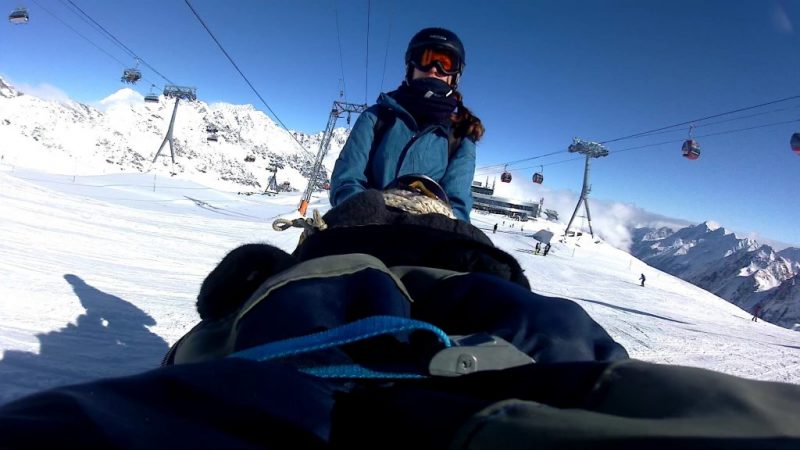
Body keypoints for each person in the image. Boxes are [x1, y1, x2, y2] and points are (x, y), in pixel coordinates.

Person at [330, 27, 484, 223]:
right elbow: (346, 179)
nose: (435, 68)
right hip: (366, 229)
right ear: (411, 67)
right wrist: (368, 216)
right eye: (426, 59)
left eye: (446, 63)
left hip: (427, 240)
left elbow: (457, 206)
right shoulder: (377, 118)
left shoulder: (459, 136)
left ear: (455, 76)